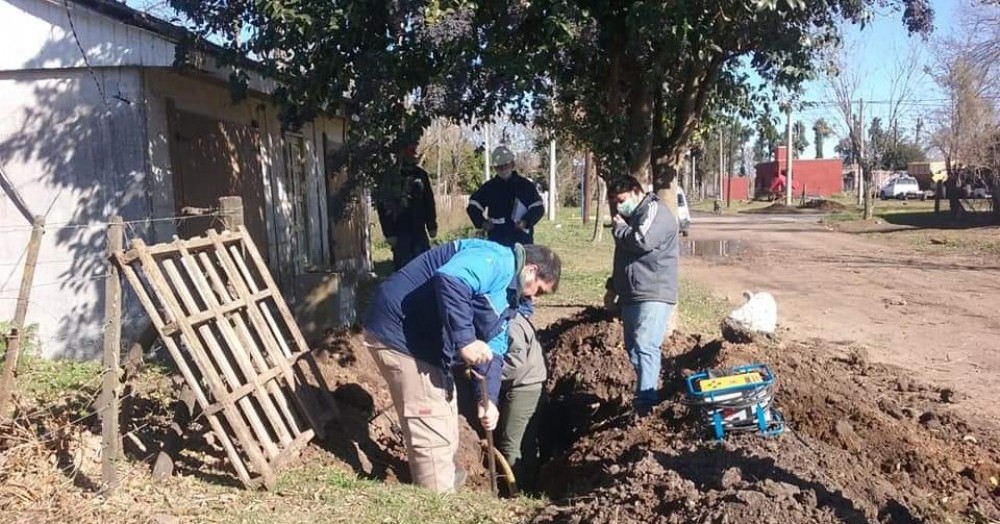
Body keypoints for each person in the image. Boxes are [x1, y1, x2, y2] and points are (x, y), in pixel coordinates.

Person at [363, 239, 561, 493]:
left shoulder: (508, 296)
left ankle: (443, 478)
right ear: (531, 270)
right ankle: (437, 499)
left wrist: (487, 399)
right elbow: (451, 278)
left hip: (428, 343)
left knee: (446, 413)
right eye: (540, 290)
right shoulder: (497, 260)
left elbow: (495, 350)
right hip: (402, 332)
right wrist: (466, 340)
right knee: (430, 416)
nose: (535, 299)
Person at [602, 176, 679, 416]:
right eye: (615, 202)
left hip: (653, 291)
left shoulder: (656, 211)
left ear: (636, 191)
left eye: (622, 200)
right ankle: (645, 395)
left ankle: (646, 404)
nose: (619, 205)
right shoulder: (630, 218)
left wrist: (620, 229)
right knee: (634, 347)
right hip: (631, 294)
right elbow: (623, 259)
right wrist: (613, 287)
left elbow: (642, 241)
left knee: (646, 345)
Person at [496, 307, 546, 492]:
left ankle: (514, 491)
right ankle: (531, 487)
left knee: (510, 444)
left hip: (524, 389)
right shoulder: (514, 317)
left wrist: (490, 374)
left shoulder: (511, 323)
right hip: (531, 385)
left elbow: (516, 363)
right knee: (527, 441)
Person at [375, 140, 438, 270]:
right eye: (409, 150)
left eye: (414, 150)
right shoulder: (391, 176)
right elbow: (383, 205)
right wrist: (389, 233)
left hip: (419, 231)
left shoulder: (421, 175)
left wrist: (431, 225)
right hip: (399, 232)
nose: (413, 154)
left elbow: (429, 202)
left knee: (424, 268)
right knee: (403, 272)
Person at [467, 146, 545, 247]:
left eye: (506, 165)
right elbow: (473, 206)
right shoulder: (489, 187)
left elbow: (538, 208)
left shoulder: (525, 185)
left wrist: (526, 221)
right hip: (497, 240)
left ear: (512, 164)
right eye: (499, 166)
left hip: (521, 240)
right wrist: (482, 223)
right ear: (495, 168)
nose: (503, 169)